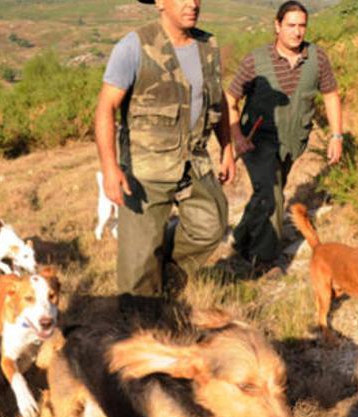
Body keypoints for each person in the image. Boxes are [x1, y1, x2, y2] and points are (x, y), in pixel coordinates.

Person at [95, 0, 236, 317]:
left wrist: (227, 148)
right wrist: (109, 167)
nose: (193, 3)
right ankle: (139, 331)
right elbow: (106, 107)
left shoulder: (208, 45)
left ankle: (164, 268)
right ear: (160, 2)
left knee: (211, 225)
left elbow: (219, 101)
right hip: (146, 170)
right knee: (137, 270)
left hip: (193, 163)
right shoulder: (134, 46)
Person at [226, 0, 343, 269]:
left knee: (267, 192)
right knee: (272, 193)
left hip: (293, 142)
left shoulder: (318, 58)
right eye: (290, 25)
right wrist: (237, 137)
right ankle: (263, 261)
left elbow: (330, 96)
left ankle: (242, 236)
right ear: (277, 26)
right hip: (257, 140)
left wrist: (336, 136)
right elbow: (229, 99)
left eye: (302, 25)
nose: (297, 32)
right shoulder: (256, 60)